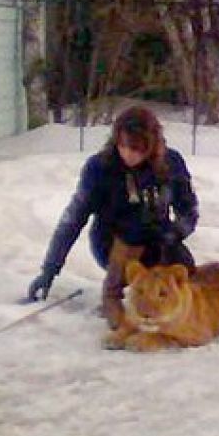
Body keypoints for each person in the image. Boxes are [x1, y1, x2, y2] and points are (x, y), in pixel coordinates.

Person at [27, 106, 199, 327]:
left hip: (159, 238)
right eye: (123, 146)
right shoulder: (100, 168)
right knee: (132, 232)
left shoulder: (171, 164)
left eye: (136, 148)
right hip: (114, 242)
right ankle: (113, 299)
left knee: (185, 273)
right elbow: (73, 219)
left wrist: (175, 233)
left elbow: (189, 210)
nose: (128, 154)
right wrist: (49, 269)